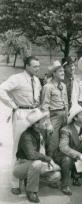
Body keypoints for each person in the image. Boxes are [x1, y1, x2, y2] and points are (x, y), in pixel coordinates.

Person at [0, 56, 42, 195]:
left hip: (34, 114)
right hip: (21, 114)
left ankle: (30, 180)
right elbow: (1, 89)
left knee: (35, 147)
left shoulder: (36, 80)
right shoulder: (17, 78)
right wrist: (12, 105)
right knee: (18, 148)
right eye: (35, 66)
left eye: (38, 66)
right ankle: (15, 183)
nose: (37, 69)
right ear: (27, 66)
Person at [13, 108, 61, 203]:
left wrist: (52, 163)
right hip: (21, 165)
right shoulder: (26, 135)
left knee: (56, 175)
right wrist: (49, 160)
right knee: (37, 163)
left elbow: (48, 148)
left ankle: (31, 179)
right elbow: (31, 155)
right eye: (42, 120)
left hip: (35, 164)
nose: (45, 122)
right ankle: (31, 191)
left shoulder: (41, 132)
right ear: (35, 124)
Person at [54, 104, 82, 195]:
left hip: (79, 159)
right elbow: (64, 148)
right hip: (63, 157)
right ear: (75, 118)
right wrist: (80, 156)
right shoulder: (65, 130)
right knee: (67, 159)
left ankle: (76, 175)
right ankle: (65, 185)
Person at [41, 61, 68, 158]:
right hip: (54, 118)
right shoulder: (47, 87)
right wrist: (48, 124)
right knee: (52, 144)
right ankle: (50, 167)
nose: (63, 73)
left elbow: (66, 103)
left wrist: (67, 117)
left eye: (63, 71)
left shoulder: (63, 86)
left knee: (64, 143)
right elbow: (44, 106)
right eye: (60, 71)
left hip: (64, 117)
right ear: (54, 73)